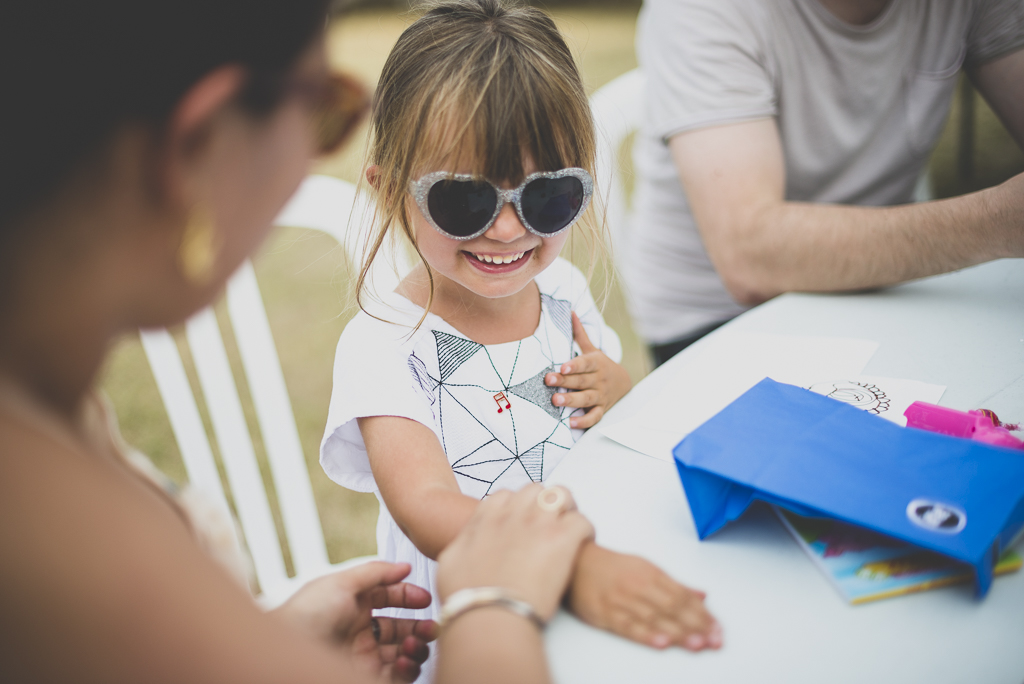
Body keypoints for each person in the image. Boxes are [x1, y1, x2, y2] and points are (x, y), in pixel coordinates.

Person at [0, 2, 596, 681]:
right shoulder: (56, 539)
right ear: (197, 144)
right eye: (327, 109)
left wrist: (271, 642)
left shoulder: (51, 432)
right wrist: (495, 603)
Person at [319, 1, 722, 672]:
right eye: (465, 201)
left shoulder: (563, 294)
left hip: (589, 591)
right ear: (392, 193)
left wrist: (616, 391)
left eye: (548, 198)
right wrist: (571, 561)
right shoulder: (385, 344)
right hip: (465, 625)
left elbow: (604, 423)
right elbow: (426, 508)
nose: (507, 231)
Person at [627, 0, 1024, 367]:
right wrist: (997, 221)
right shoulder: (700, 10)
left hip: (884, 288)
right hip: (718, 319)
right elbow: (752, 257)